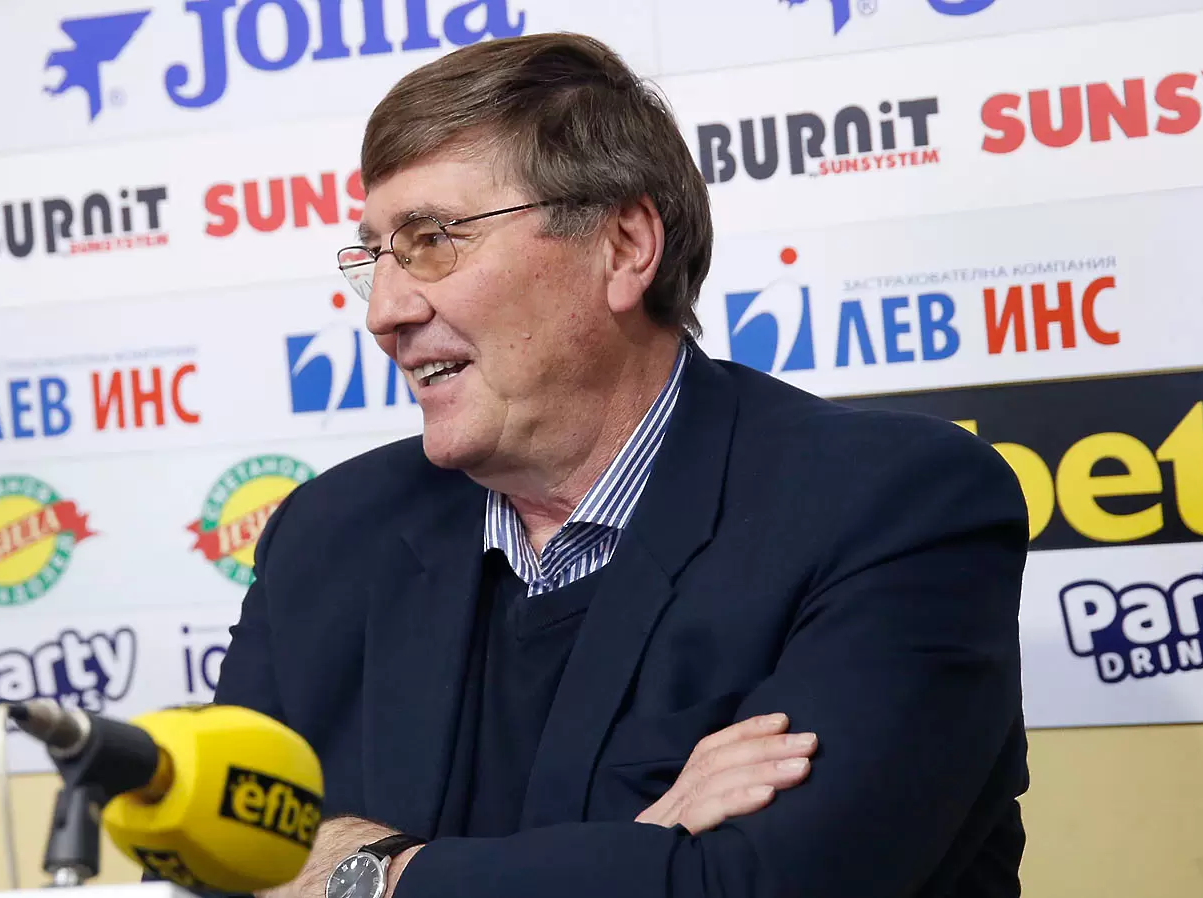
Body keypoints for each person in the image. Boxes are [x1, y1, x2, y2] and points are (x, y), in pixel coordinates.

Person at [212, 31, 1031, 898]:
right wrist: (639, 851)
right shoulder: (328, 535)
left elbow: (760, 887)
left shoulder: (889, 504)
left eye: (432, 240)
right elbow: (214, 861)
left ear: (625, 245)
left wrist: (368, 874)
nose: (384, 311)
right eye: (374, 256)